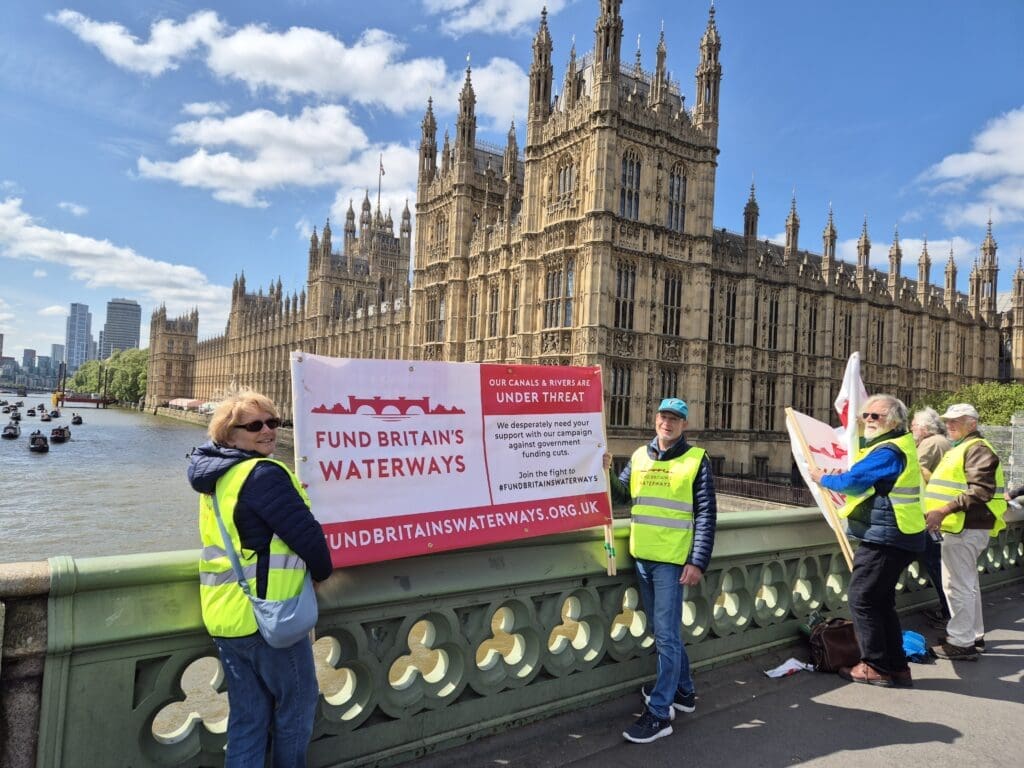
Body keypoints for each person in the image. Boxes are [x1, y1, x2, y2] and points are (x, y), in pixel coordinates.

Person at [188, 389, 332, 766]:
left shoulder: (216, 479)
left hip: (225, 616)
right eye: (254, 425)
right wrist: (321, 574)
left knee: (247, 720)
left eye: (274, 422)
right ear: (229, 435)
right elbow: (309, 539)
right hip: (270, 618)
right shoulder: (263, 474)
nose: (268, 430)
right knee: (296, 712)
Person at [605, 397, 717, 744]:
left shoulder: (696, 459)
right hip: (641, 555)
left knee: (666, 636)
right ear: (655, 420)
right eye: (664, 417)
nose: (668, 423)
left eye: (675, 419)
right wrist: (607, 470)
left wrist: (697, 561)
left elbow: (706, 514)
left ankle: (658, 713)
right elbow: (622, 496)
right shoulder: (639, 456)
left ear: (684, 425)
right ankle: (683, 693)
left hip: (672, 561)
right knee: (661, 630)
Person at [809, 394, 925, 687]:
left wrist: (823, 478)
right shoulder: (897, 445)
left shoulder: (888, 450)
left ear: (895, 420)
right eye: (866, 416)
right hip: (901, 534)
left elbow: (852, 481)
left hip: (887, 536)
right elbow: (865, 480)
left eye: (876, 416)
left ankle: (874, 665)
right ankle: (897, 666)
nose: (868, 420)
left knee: (862, 598)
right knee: (882, 601)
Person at [924, 403, 1007, 661]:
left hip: (965, 526)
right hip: (964, 525)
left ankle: (960, 642)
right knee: (968, 585)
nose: (949, 424)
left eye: (956, 421)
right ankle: (973, 636)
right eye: (947, 420)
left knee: (957, 585)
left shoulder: (976, 449)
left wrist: (944, 510)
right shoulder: (962, 447)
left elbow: (981, 491)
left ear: (972, 424)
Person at [909, 407, 952, 625]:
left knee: (935, 564)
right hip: (943, 513)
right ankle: (950, 610)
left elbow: (916, 470)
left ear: (925, 428)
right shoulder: (943, 441)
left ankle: (948, 612)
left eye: (914, 425)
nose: (911, 428)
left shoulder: (930, 443)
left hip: (931, 513)